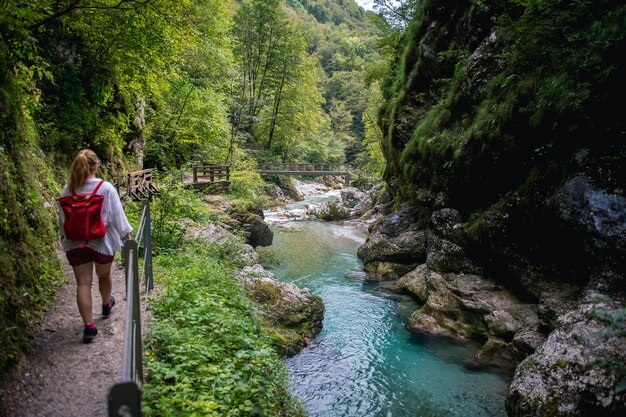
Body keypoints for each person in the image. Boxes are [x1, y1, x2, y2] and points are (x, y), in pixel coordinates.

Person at [59, 149, 132, 343]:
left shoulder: (68, 189)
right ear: (96, 165)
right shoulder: (105, 188)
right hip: (102, 241)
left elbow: (62, 220)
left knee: (83, 283)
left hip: (75, 244)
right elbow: (118, 217)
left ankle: (89, 327)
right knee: (104, 275)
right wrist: (128, 238)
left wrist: (68, 238)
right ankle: (106, 304)